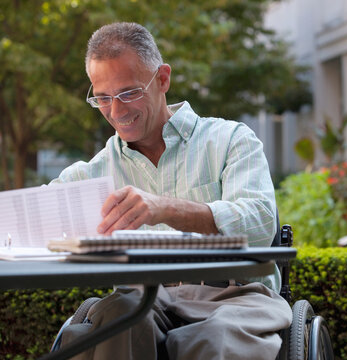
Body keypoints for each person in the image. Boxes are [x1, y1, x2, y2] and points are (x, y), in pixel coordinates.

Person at [52, 22, 292, 359]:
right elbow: (27, 223)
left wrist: (166, 208)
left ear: (163, 79)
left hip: (236, 297)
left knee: (213, 339)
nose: (116, 112)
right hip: (141, 299)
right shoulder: (91, 173)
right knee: (116, 319)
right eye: (103, 98)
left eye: (128, 92)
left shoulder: (231, 140)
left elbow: (260, 224)